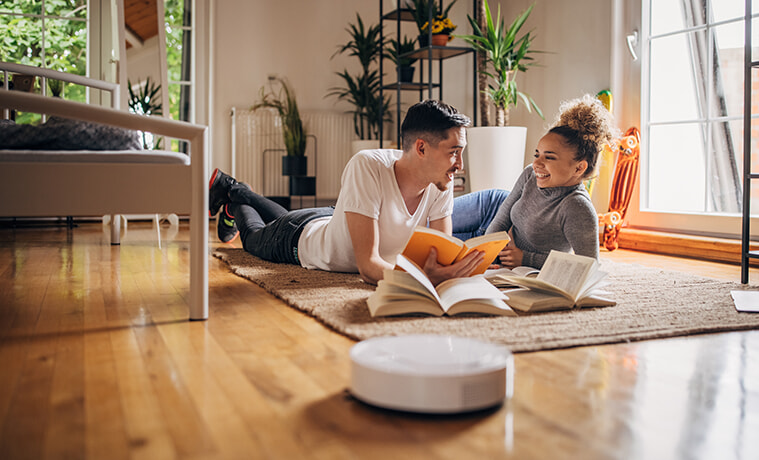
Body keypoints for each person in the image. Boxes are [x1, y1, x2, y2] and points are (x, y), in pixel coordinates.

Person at [209, 99, 484, 285]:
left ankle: (237, 191)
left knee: (284, 216)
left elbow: (440, 257)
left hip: (330, 219)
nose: (459, 165)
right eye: (454, 153)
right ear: (421, 148)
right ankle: (235, 198)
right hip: (295, 240)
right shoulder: (368, 165)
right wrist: (424, 278)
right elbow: (368, 267)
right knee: (254, 237)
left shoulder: (440, 179)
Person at [452, 94, 616, 269]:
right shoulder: (530, 173)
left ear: (579, 168)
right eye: (537, 154)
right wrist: (488, 257)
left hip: (501, 248)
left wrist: (526, 259)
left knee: (427, 251)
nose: (536, 164)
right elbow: (501, 218)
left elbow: (589, 266)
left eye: (549, 158)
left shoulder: (577, 208)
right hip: (491, 209)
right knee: (425, 227)